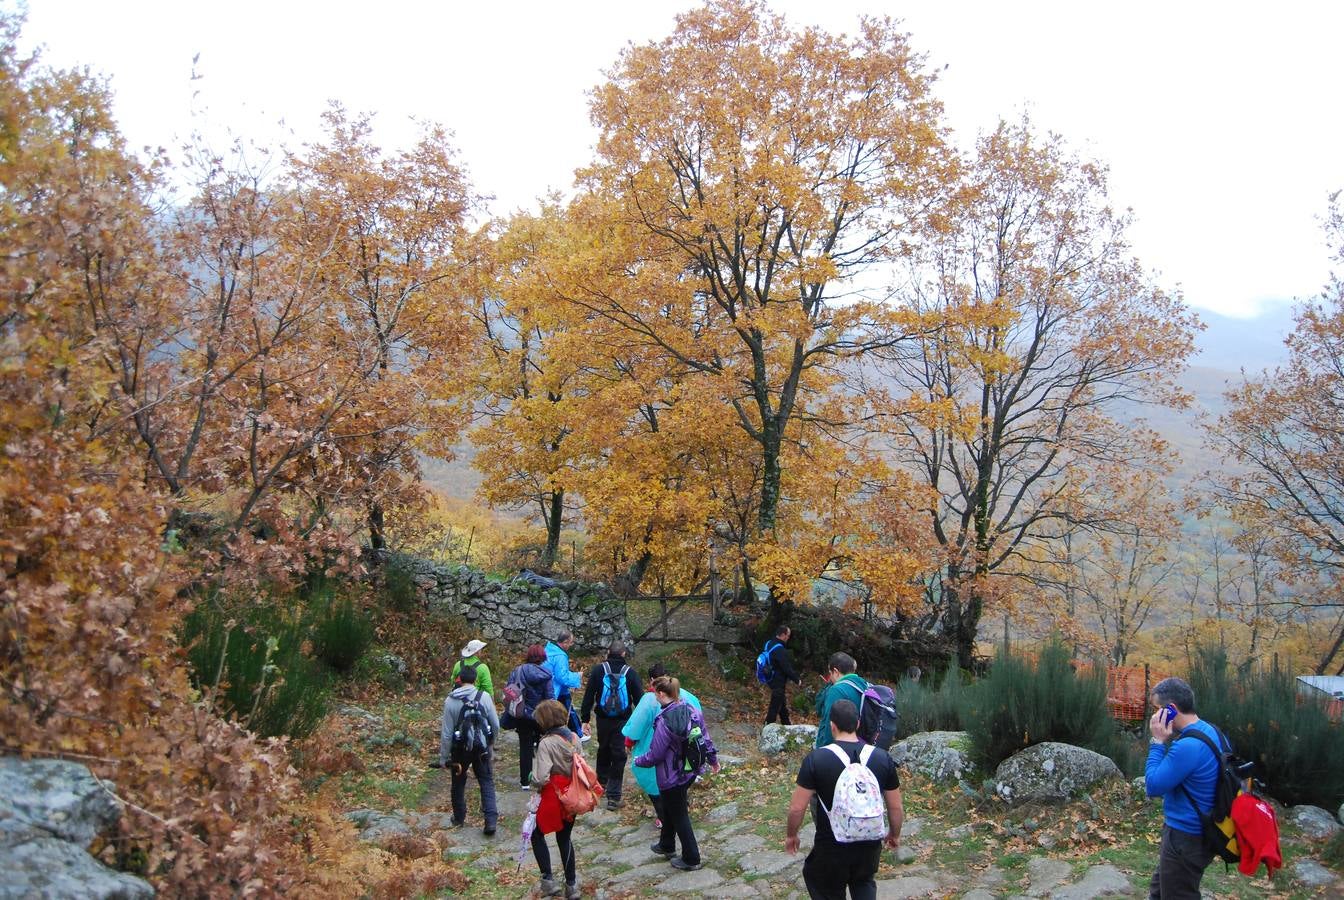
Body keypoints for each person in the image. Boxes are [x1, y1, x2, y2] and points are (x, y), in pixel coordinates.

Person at [786, 699, 903, 900]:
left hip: (831, 846)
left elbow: (797, 808)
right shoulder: (882, 758)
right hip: (869, 844)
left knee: (822, 883)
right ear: (858, 724)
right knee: (864, 882)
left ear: (832, 725)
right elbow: (895, 806)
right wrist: (894, 834)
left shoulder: (817, 759)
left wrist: (791, 835)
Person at [1144, 676, 1222, 899]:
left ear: (1171, 710)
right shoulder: (1210, 731)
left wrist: (1157, 742)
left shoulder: (1188, 746)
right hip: (1200, 832)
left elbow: (1153, 785)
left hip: (1185, 837)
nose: (1155, 715)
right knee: (1160, 891)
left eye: (1158, 709)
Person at [632, 676, 719, 872]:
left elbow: (656, 754)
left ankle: (691, 857)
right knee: (671, 807)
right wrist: (713, 759)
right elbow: (704, 736)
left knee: (679, 814)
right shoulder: (691, 709)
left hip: (670, 775)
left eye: (656, 694)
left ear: (662, 694)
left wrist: (637, 760)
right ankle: (667, 844)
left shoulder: (664, 721)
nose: (654, 698)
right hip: (688, 771)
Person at [623, 663, 702, 828]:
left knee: (657, 787)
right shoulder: (688, 696)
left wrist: (629, 742)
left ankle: (665, 820)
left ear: (652, 680)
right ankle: (679, 814)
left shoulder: (650, 700)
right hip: (685, 752)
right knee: (679, 784)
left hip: (654, 751)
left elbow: (635, 728)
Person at [528, 699, 583, 900]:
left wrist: (531, 780)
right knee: (564, 837)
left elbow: (541, 777)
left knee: (536, 833)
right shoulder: (575, 738)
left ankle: (548, 881)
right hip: (572, 794)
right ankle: (571, 886)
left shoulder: (546, 743)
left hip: (553, 794)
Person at [579, 640, 642, 810]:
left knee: (603, 749)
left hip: (603, 719)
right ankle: (614, 797)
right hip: (623, 720)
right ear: (623, 654)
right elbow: (639, 700)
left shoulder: (599, 670)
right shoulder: (630, 673)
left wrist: (585, 719)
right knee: (619, 755)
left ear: (608, 653)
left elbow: (589, 695)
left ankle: (601, 785)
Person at [438, 664, 500, 835]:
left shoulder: (450, 700)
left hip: (460, 748)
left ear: (459, 680)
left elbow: (447, 733)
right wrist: (491, 743)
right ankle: (490, 821)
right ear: (475, 680)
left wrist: (444, 758)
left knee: (458, 782)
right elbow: (495, 724)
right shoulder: (485, 697)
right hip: (481, 747)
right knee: (486, 781)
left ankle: (459, 817)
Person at [507, 644, 554, 789]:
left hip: (522, 713)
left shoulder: (517, 671)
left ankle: (525, 781)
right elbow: (550, 697)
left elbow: (510, 690)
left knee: (525, 747)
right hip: (541, 715)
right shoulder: (546, 674)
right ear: (543, 657)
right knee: (544, 746)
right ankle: (542, 777)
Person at [814, 652, 869, 749]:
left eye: (830, 673)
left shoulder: (837, 690)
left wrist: (823, 751)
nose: (830, 678)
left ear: (835, 672)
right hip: (860, 745)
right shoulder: (863, 684)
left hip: (840, 749)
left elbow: (829, 725)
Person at [545, 630, 586, 740]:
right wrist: (577, 676)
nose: (571, 645)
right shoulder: (560, 656)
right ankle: (576, 735)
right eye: (571, 642)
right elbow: (561, 676)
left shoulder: (548, 650)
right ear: (565, 642)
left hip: (549, 687)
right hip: (555, 689)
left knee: (550, 712)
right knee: (565, 711)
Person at [763, 625, 801, 725]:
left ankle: (786, 724)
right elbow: (786, 668)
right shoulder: (780, 650)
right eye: (788, 635)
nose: (788, 638)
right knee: (774, 706)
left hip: (769, 678)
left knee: (781, 703)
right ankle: (767, 726)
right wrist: (797, 680)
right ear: (783, 635)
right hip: (778, 681)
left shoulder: (769, 643)